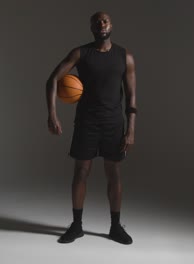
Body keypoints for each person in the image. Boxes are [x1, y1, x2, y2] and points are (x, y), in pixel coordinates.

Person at [46, 11, 137, 245]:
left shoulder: (124, 56)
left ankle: (115, 227)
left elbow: (131, 96)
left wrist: (131, 129)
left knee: (113, 173)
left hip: (114, 123)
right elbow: (53, 79)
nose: (101, 23)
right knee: (80, 172)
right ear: (91, 27)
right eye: (97, 21)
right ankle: (76, 226)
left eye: (105, 20)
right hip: (86, 121)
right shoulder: (81, 53)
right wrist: (52, 114)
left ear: (111, 25)